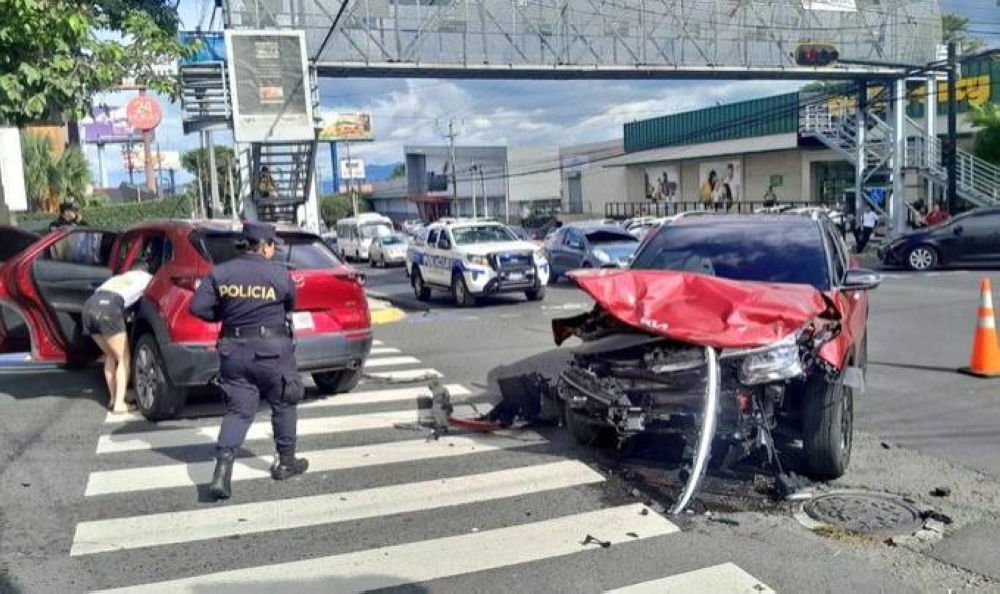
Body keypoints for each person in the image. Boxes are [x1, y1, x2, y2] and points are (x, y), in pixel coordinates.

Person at [189, 222, 307, 501]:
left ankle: (222, 471)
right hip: (272, 351)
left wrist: (224, 316)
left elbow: (197, 307)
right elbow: (292, 303)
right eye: (272, 245)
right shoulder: (279, 274)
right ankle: (286, 463)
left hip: (234, 351)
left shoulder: (222, 272)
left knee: (238, 411)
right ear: (264, 246)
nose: (273, 250)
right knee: (284, 401)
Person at [81, 261, 153, 413]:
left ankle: (114, 398)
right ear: (145, 270)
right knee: (124, 358)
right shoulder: (148, 278)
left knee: (110, 355)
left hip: (89, 307)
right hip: (109, 307)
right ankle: (120, 404)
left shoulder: (118, 279)